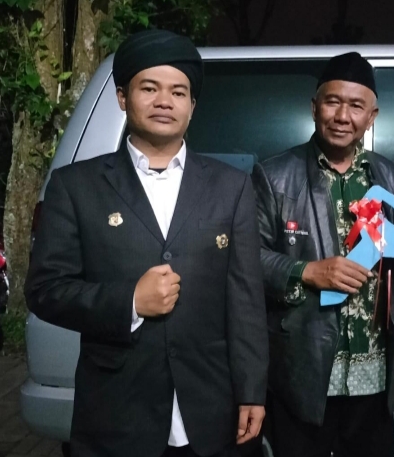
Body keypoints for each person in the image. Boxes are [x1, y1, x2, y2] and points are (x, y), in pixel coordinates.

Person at [25, 29, 268, 457]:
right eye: (149, 88)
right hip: (117, 412)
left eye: (178, 92)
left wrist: (252, 390)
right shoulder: (76, 186)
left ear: (192, 106)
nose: (164, 101)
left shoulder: (230, 186)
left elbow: (246, 299)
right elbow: (45, 290)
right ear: (123, 97)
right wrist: (130, 302)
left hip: (210, 410)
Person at [252, 51, 394, 457]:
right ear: (314, 107)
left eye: (356, 106)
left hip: (374, 375)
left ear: (371, 117)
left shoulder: (387, 175)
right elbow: (247, 259)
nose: (342, 116)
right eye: (333, 102)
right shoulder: (274, 175)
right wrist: (306, 271)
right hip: (305, 372)